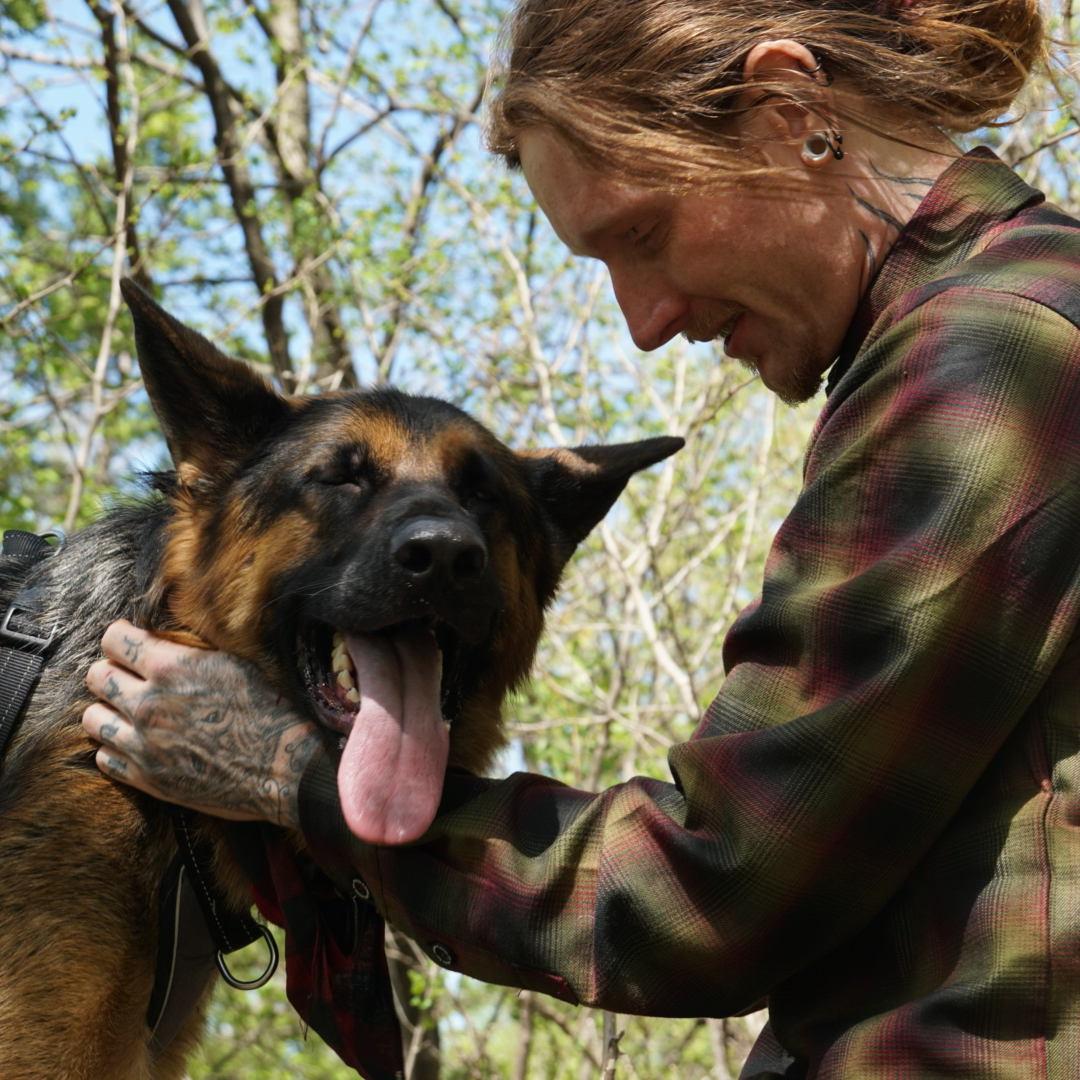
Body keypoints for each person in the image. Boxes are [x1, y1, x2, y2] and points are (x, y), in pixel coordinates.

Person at [81, 0, 1080, 1076]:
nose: (644, 324)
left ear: (791, 109)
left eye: (639, 235)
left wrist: (286, 774)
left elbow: (713, 887)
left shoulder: (989, 359)